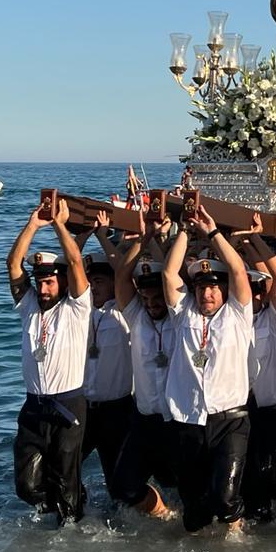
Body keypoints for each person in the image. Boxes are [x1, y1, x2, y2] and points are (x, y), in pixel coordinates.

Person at [163, 205, 254, 535]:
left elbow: (240, 271)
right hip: (188, 420)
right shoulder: (184, 313)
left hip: (229, 419)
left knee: (225, 497)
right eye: (201, 287)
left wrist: (213, 233)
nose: (208, 292)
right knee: (194, 507)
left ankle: (236, 537)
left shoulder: (237, 315)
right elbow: (170, 274)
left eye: (214, 286)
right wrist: (186, 230)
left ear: (224, 290)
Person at [7, 199, 91, 525]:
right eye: (40, 281)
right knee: (27, 486)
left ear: (63, 282)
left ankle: (71, 530)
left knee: (66, 486)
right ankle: (58, 506)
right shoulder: (29, 304)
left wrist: (59, 224)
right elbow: (13, 265)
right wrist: (33, 225)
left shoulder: (76, 308)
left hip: (69, 404)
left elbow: (75, 260)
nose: (43, 288)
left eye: (50, 281)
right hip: (34, 406)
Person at [110, 213, 179, 519]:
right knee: (123, 485)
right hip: (145, 418)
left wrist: (161, 241)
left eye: (157, 298)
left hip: (178, 420)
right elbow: (122, 280)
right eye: (146, 297)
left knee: (181, 482)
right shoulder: (137, 317)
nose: (151, 304)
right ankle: (163, 514)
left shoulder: (182, 319)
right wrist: (142, 241)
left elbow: (176, 279)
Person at [236, 218, 276, 521]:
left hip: (269, 409)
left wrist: (252, 240)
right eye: (249, 291)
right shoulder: (232, 318)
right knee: (242, 472)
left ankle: (270, 519)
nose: (255, 297)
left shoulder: (273, 318)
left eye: (259, 291)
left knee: (270, 473)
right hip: (240, 407)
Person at [81, 250, 134, 497]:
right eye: (90, 282)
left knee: (118, 483)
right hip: (84, 408)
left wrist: (104, 238)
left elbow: (125, 273)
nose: (93, 287)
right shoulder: (80, 313)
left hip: (117, 410)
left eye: (99, 282)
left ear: (114, 282)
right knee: (60, 469)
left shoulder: (125, 313)